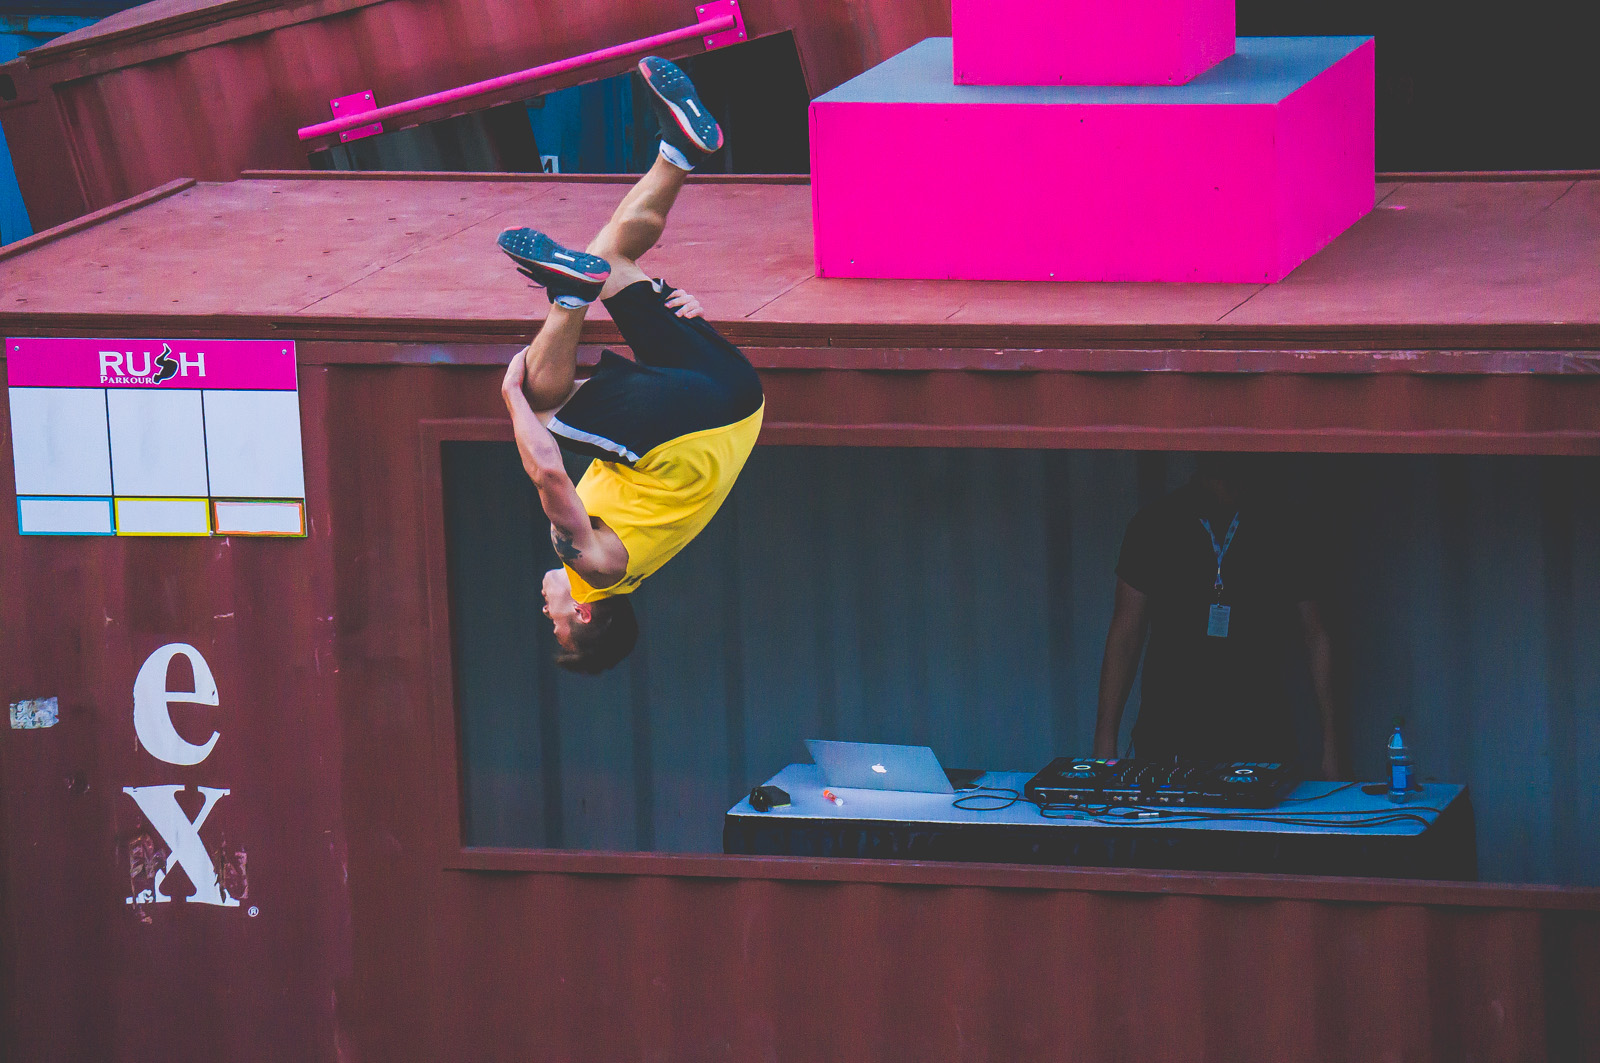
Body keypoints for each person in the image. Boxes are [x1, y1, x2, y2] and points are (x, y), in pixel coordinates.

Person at [497, 56, 763, 674]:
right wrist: (512, 400)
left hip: (741, 401)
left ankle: (679, 151)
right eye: (557, 625)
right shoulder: (594, 568)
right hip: (692, 430)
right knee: (539, 403)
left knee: (611, 260)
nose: (547, 613)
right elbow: (548, 474)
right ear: (584, 615)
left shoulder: (640, 560)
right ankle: (569, 297)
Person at [1092, 454, 1344, 778]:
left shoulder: (1284, 525)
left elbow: (1317, 636)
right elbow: (1125, 635)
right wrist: (1104, 739)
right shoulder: (1155, 524)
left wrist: (1332, 744)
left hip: (1258, 738)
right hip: (1169, 739)